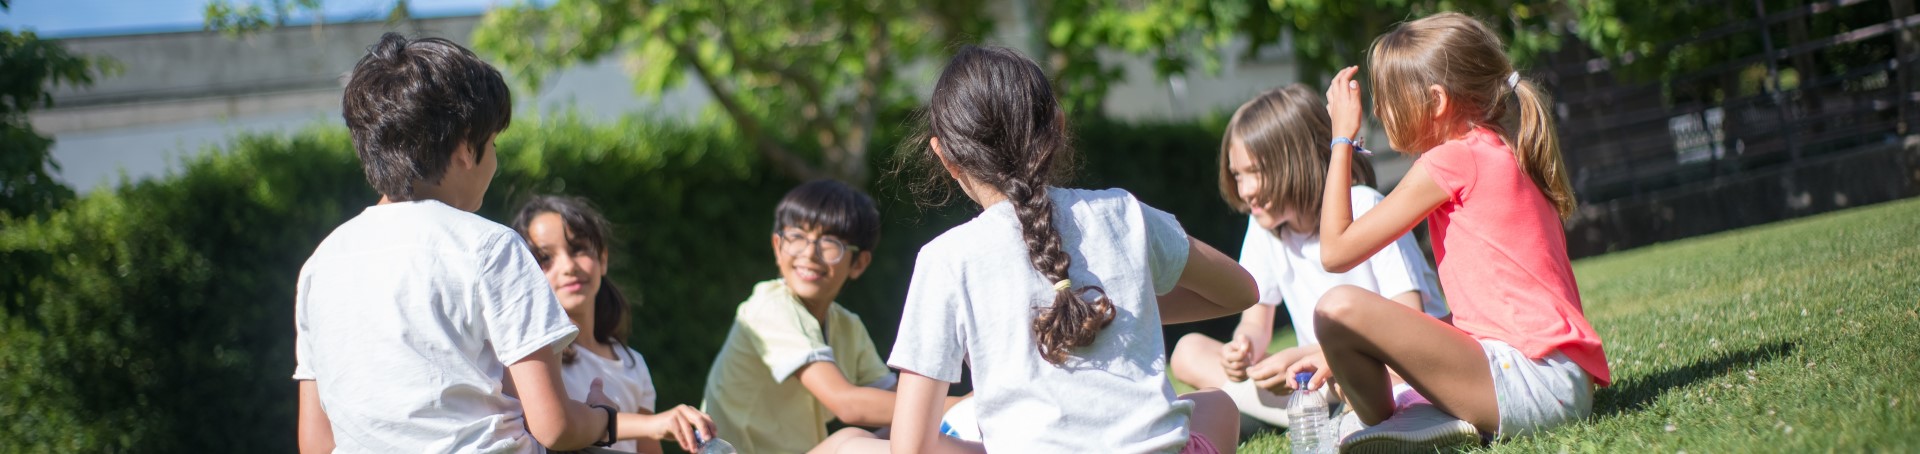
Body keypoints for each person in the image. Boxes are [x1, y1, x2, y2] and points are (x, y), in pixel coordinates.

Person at [839, 45, 1259, 454]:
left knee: (854, 447)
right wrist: (1121, 306)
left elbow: (910, 447)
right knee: (1217, 404)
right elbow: (1241, 292)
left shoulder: (946, 259)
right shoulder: (1123, 213)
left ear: (945, 156)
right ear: (1057, 125)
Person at [1293, 12, 1611, 451]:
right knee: (1353, 334)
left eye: (1389, 99)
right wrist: (1361, 353)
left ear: (1436, 101)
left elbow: (1335, 251)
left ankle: (1395, 422)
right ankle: (1416, 421)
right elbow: (1478, 321)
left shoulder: (1452, 160)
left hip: (1529, 384)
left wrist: (1342, 139)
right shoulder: (1498, 150)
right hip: (1556, 385)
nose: (1382, 112)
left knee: (1335, 309)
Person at [293, 33, 617, 453]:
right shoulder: (489, 247)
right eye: (493, 143)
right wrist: (601, 418)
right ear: (466, 146)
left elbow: (315, 442)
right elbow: (554, 426)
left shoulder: (322, 265)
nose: (495, 160)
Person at [1167, 84, 1448, 430]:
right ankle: (1312, 413)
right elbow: (1256, 322)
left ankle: (1287, 413)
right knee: (1187, 350)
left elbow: (1410, 323)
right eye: (1238, 175)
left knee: (1339, 379)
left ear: (1297, 161)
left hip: (1392, 368)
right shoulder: (1265, 228)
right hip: (1319, 378)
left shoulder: (1362, 206)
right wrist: (1243, 349)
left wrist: (1308, 355)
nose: (1245, 189)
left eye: (1255, 171)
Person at [702, 179, 942, 454]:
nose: (809, 253)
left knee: (899, 435)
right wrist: (959, 406)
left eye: (830, 242)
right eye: (797, 237)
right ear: (778, 246)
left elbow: (898, 403)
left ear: (859, 263)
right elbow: (847, 404)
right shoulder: (768, 307)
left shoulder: (847, 325)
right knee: (851, 443)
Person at [511, 195, 719, 453]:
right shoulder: (532, 363)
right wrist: (654, 423)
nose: (568, 266)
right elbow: (555, 429)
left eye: (578, 249)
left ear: (603, 258)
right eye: (545, 258)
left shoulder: (634, 364)